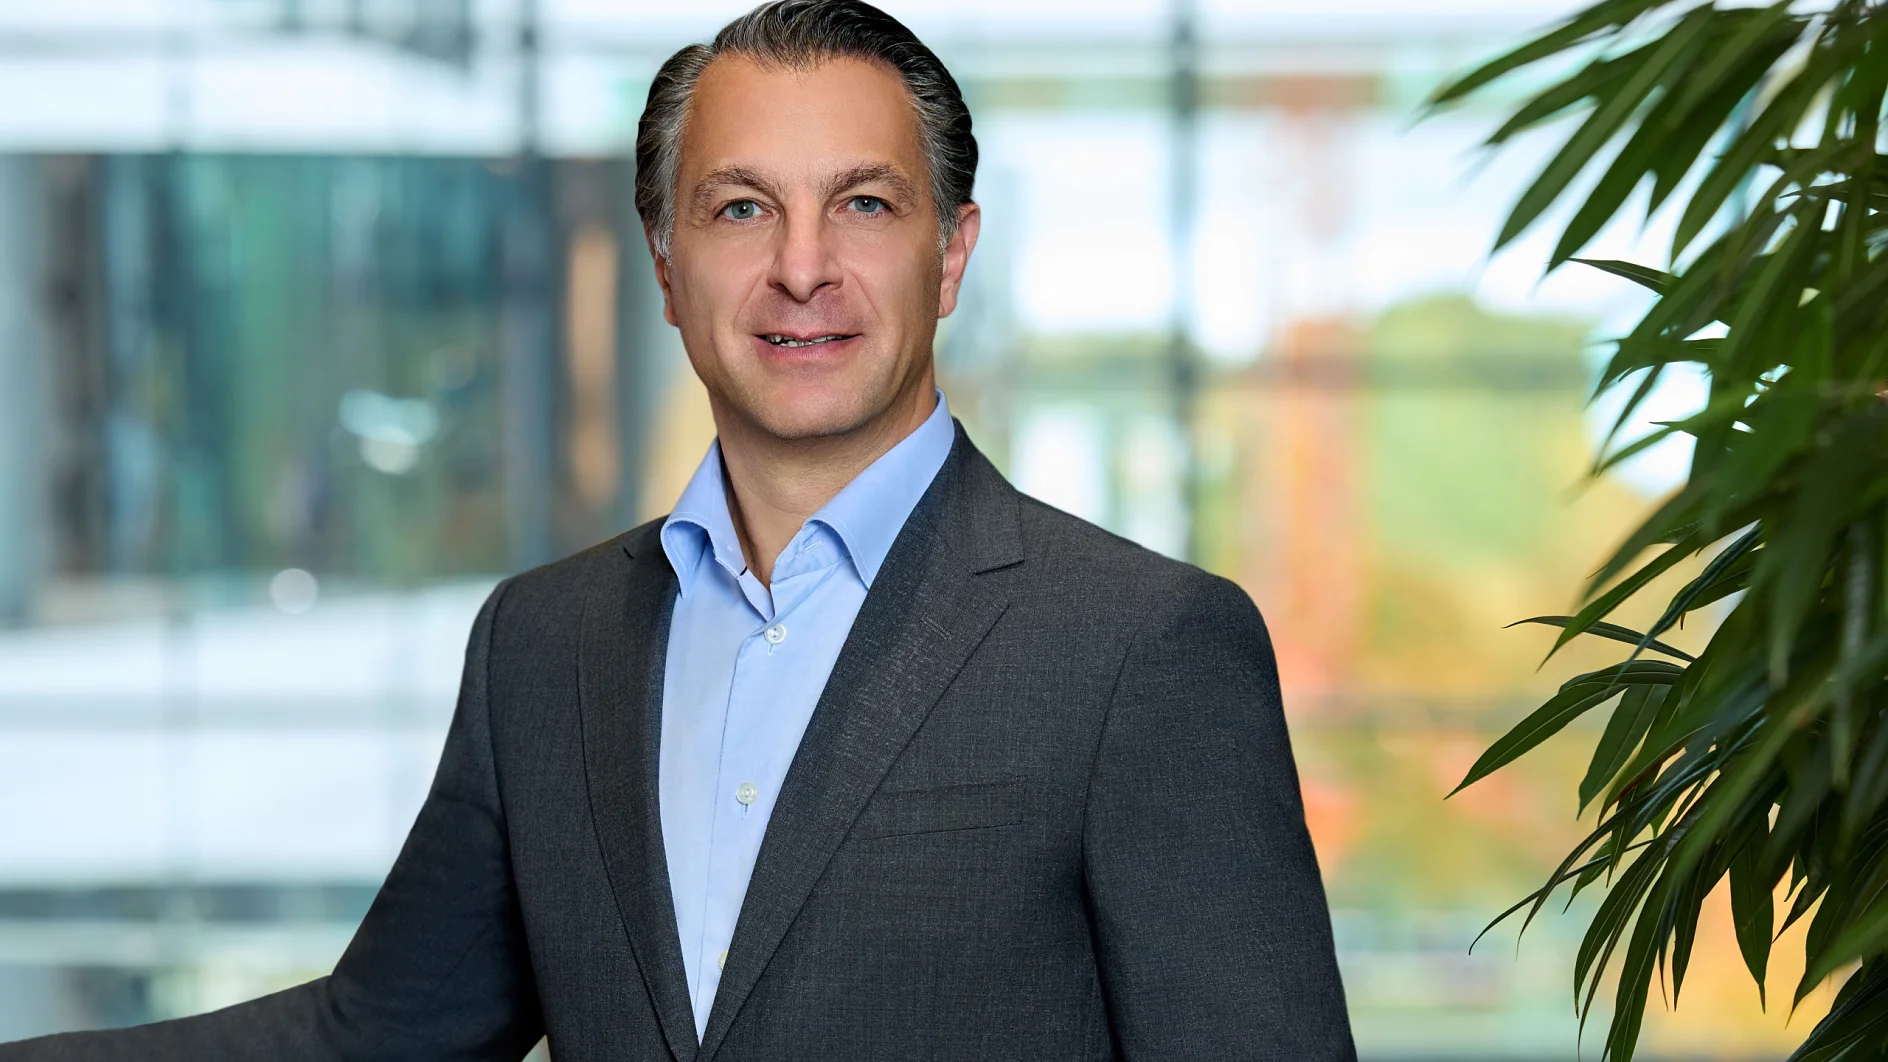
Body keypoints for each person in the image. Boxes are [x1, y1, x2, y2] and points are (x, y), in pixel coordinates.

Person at [2, 2, 1355, 1058]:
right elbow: (374, 1036)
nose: (802, 267)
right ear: (664, 261)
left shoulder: (1141, 649)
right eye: (741, 207)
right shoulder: (543, 646)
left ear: (950, 254)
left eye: (864, 204)